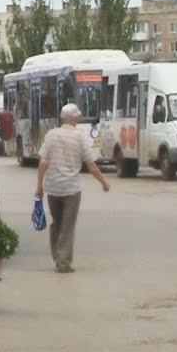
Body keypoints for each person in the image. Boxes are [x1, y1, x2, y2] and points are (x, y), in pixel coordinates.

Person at [36, 103, 111, 274]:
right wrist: (104, 183)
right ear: (74, 118)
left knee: (57, 223)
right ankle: (64, 263)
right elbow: (91, 165)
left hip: (53, 188)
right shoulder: (80, 137)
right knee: (67, 226)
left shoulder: (51, 135)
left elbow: (43, 162)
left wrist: (39, 186)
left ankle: (57, 257)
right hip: (71, 189)